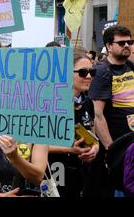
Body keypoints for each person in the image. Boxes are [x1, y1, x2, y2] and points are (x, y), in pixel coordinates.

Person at [88, 25, 134, 196]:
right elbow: (98, 116)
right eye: (121, 43)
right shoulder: (102, 71)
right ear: (108, 45)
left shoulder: (130, 65)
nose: (127, 45)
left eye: (130, 41)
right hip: (119, 151)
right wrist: (112, 151)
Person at [48, 47, 99, 197]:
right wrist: (69, 149)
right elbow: (31, 143)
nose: (89, 76)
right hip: (55, 171)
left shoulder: (88, 102)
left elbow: (94, 137)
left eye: (92, 72)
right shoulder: (50, 103)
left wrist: (94, 149)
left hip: (81, 174)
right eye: (83, 72)